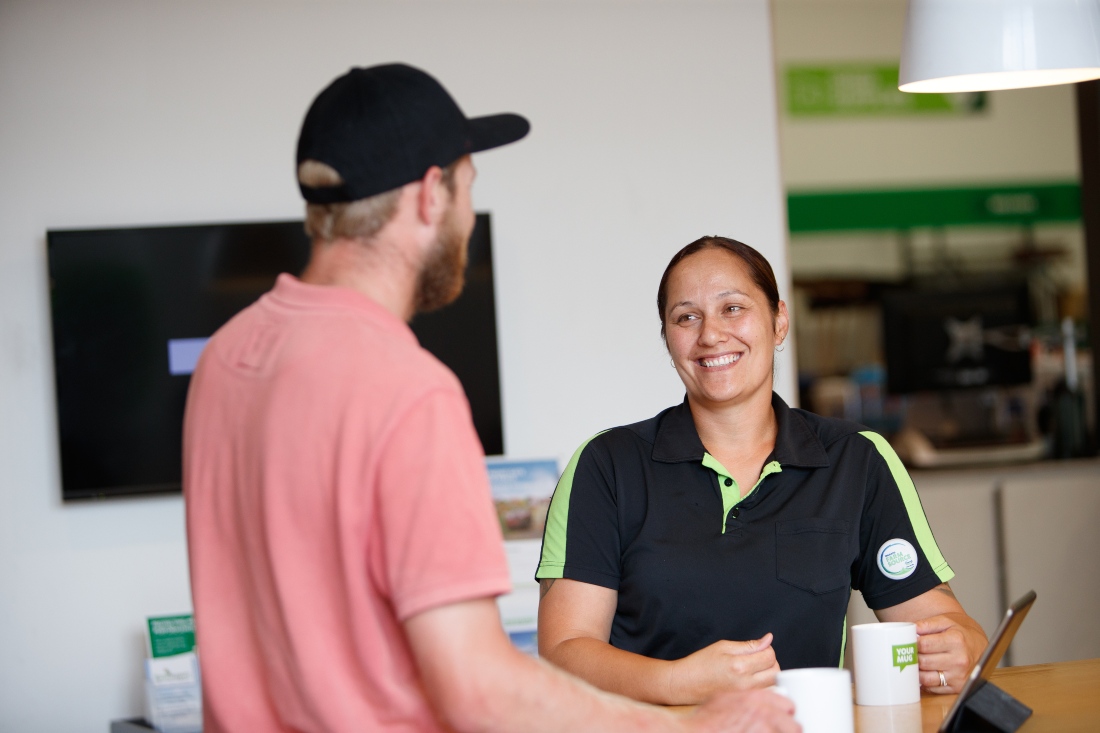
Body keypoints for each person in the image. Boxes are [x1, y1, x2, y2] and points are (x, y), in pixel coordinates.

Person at [183, 66, 798, 733]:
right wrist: (688, 726)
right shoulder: (407, 389)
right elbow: (478, 688)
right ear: (429, 195)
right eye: (469, 188)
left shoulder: (226, 355)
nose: (469, 218)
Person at [535, 235, 989, 706]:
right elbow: (566, 651)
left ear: (779, 321)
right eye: (686, 317)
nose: (710, 334)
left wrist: (965, 645)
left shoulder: (856, 459)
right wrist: (678, 683)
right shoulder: (606, 466)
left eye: (733, 308)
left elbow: (940, 618)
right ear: (668, 339)